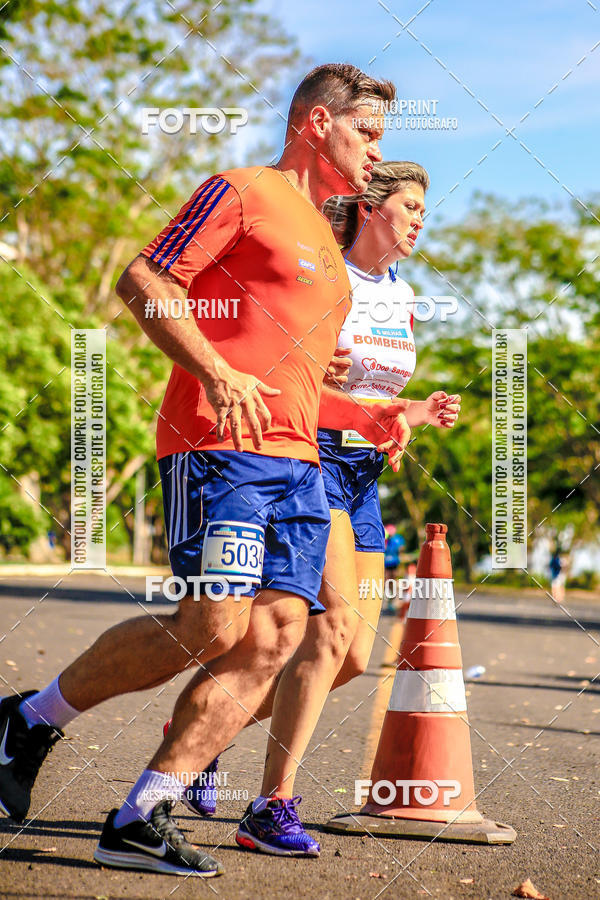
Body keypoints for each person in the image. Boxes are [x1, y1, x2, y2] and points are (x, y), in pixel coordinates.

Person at [0, 64, 410, 878]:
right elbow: (144, 278)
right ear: (317, 122)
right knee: (213, 627)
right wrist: (218, 374)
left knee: (276, 637)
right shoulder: (243, 189)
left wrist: (366, 417)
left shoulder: (329, 252)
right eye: (366, 133)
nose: (375, 152)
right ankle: (28, 719)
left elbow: (303, 382)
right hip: (217, 449)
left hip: (301, 468)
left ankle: (141, 817)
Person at [175, 161, 461, 856]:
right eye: (409, 205)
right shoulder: (326, 276)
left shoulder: (401, 294)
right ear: (369, 209)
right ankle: (271, 806)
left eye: (426, 208)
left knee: (355, 657)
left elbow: (375, 400)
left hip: (364, 474)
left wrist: (410, 417)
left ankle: (206, 740)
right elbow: (299, 371)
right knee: (324, 635)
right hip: (312, 458)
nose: (421, 218)